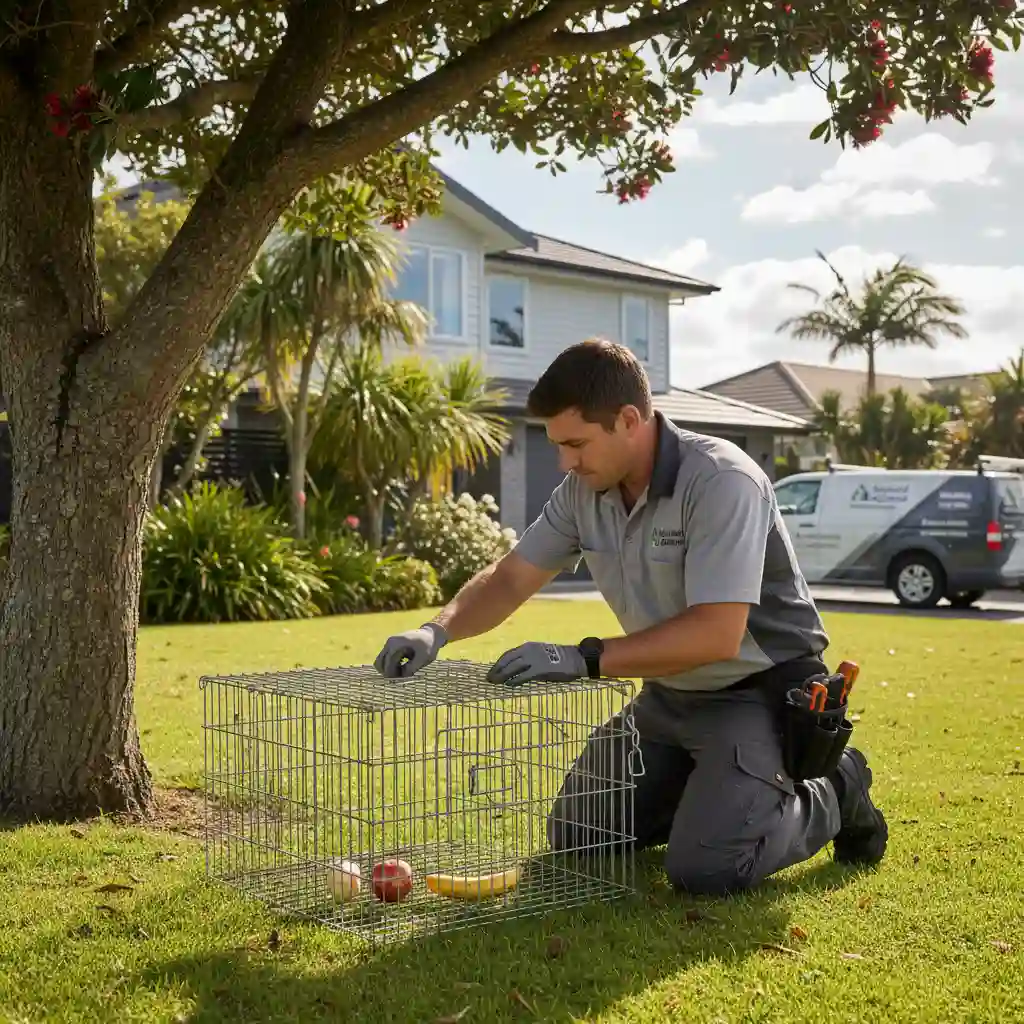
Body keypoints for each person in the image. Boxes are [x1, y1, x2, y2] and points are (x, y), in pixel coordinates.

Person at [373, 338, 888, 895]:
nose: (566, 462)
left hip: (756, 694)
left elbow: (718, 634)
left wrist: (583, 658)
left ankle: (837, 785)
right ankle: (716, 792)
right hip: (669, 695)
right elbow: (510, 578)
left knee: (705, 869)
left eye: (577, 444)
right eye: (558, 447)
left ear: (628, 419)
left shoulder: (721, 481)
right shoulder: (583, 492)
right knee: (577, 833)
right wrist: (436, 629)